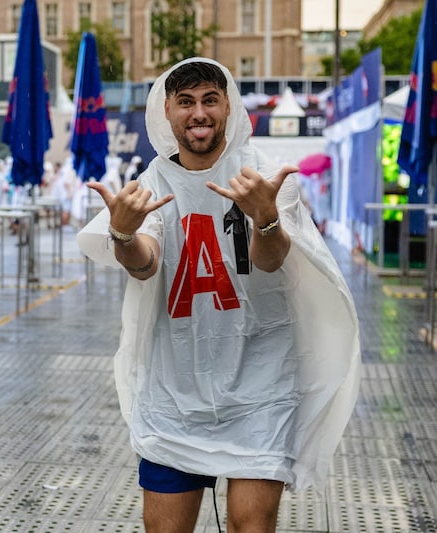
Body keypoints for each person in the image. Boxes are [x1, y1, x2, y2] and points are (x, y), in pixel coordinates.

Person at [78, 58, 360, 532]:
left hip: (261, 383)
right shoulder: (152, 184)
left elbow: (270, 259)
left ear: (228, 105)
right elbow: (146, 264)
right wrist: (124, 236)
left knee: (250, 525)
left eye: (210, 100)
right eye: (185, 102)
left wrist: (266, 218)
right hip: (174, 387)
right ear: (165, 111)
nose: (199, 113)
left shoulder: (262, 177)